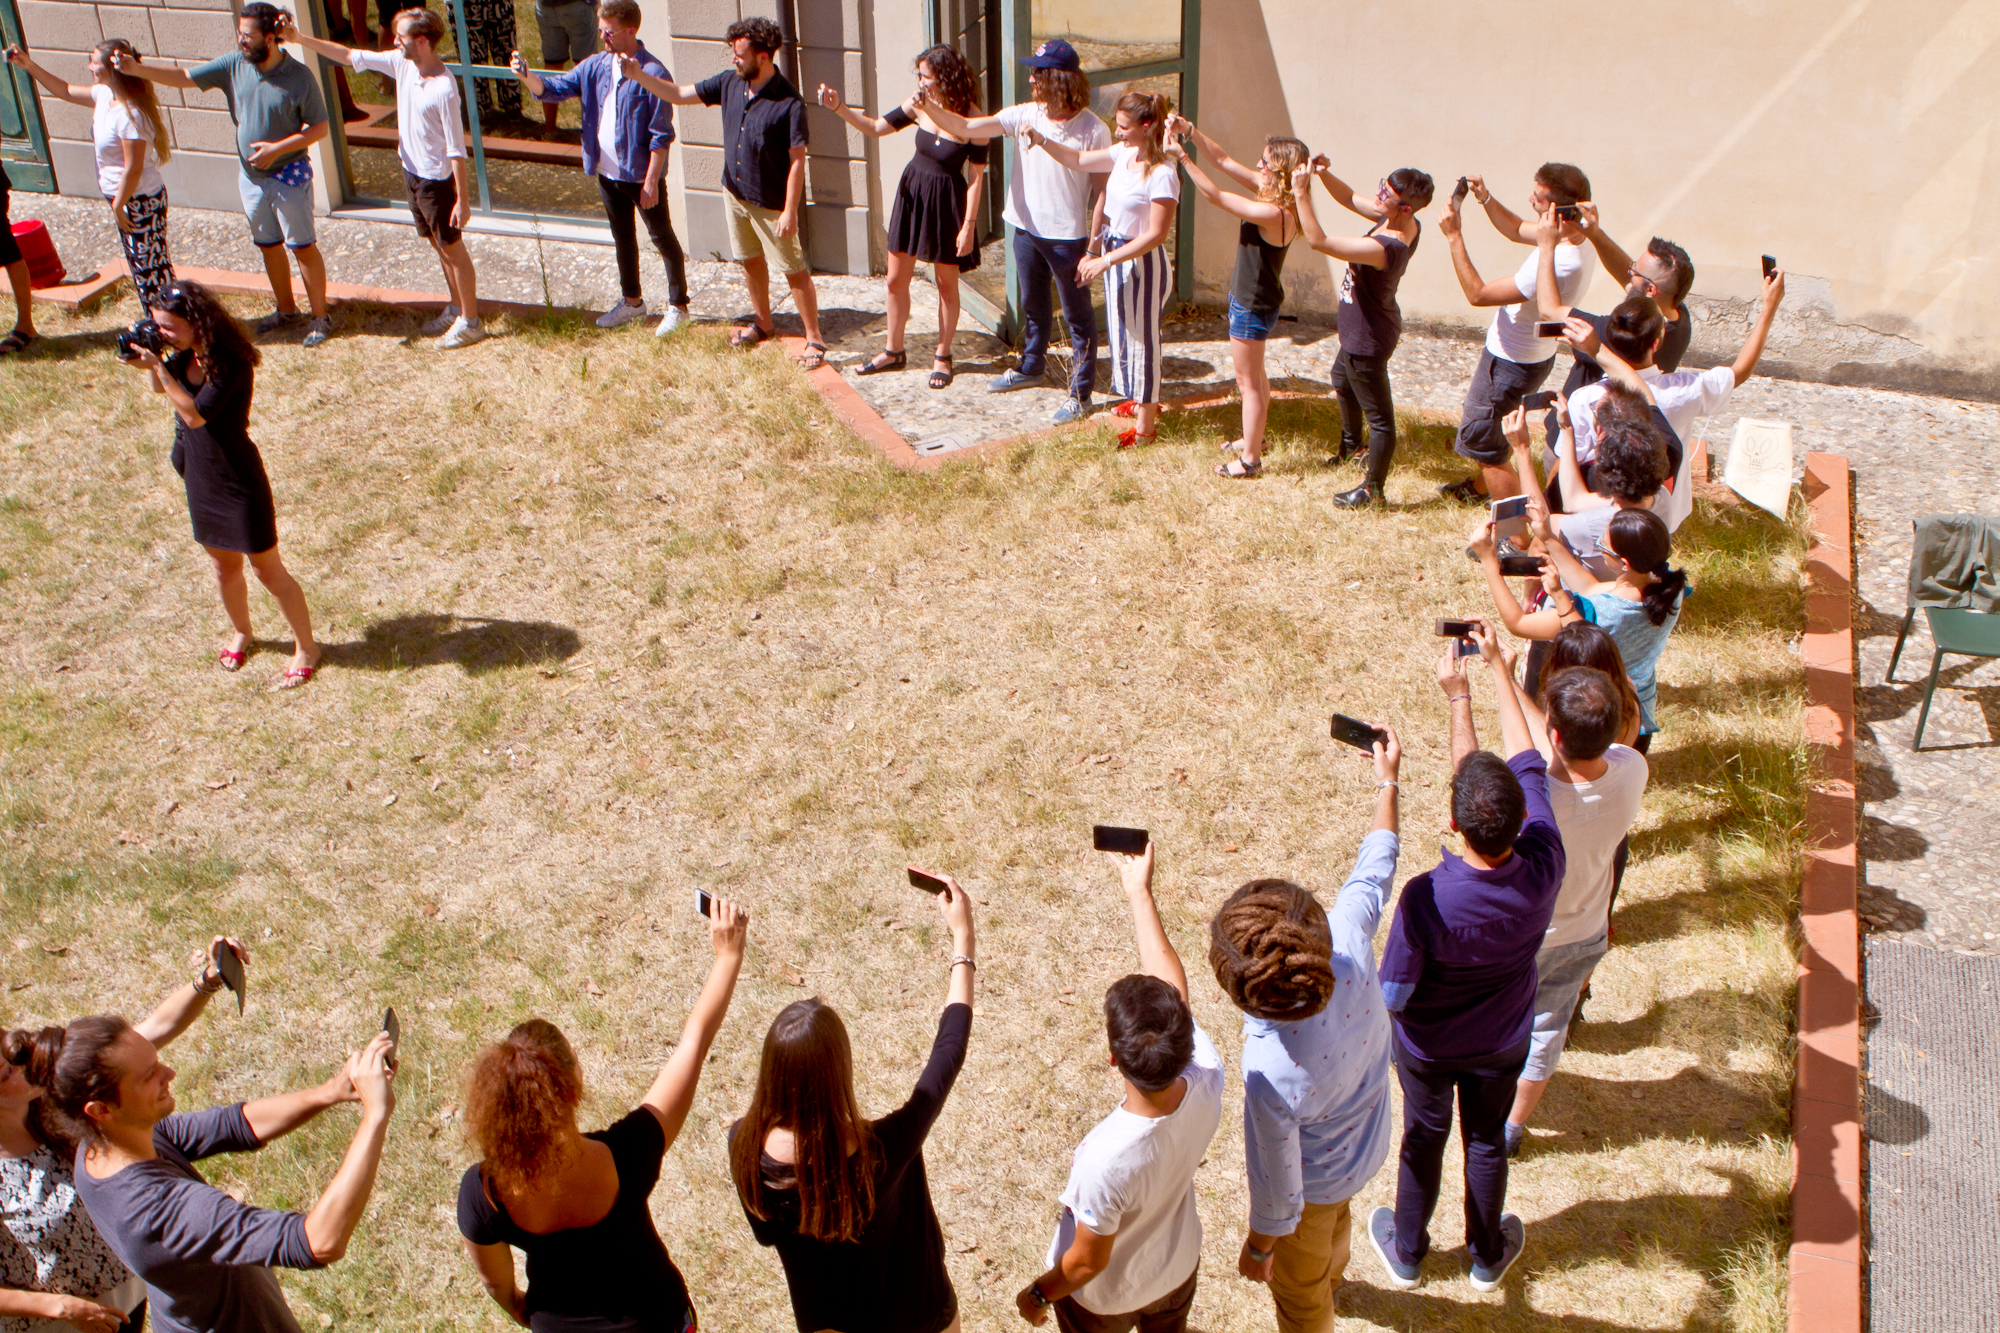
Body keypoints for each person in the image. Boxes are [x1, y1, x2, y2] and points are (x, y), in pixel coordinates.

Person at [1367, 624, 1563, 1293]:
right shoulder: (1544, 865)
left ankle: (1408, 1251)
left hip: (1426, 1048)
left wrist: (1458, 696)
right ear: (1522, 820)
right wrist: (1497, 676)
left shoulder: (1425, 897)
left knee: (1424, 1138)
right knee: (1485, 1140)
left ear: (1452, 823)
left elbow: (1392, 990)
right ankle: (1485, 1255)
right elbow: (1527, 759)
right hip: (1502, 1041)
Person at [458, 897, 748, 1333]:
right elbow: (694, 1044)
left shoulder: (484, 1192)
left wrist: (525, 1309)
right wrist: (728, 956)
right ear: (573, 1090)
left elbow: (496, 1285)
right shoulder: (628, 1153)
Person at [1209, 729, 1401, 1333]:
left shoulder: (1269, 1071)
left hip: (1316, 1190)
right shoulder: (1346, 941)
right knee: (1336, 1235)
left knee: (1300, 1298)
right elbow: (1377, 864)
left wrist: (1261, 1247)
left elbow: (1281, 1188)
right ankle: (1335, 1275)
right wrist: (1387, 778)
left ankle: (1321, 1297)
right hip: (1369, 1143)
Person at [39, 1015, 396, 1333]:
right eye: (149, 1076)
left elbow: (234, 1124)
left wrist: (329, 1092)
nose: (169, 1073)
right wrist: (375, 1115)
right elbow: (318, 1242)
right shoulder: (160, 1211)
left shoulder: (100, 1147)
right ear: (101, 1109)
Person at [730, 874, 975, 1333]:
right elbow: (950, 1051)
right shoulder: (884, 1148)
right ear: (838, 1075)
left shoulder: (743, 1148)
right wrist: (963, 939)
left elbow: (766, 1234)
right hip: (918, 1317)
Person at [1016, 838, 1223, 1332]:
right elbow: (1174, 987)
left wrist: (1038, 1293)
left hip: (1105, 1303)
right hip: (1176, 1272)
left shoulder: (1105, 1159)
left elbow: (1086, 1263)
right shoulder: (1207, 1078)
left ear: (1113, 1059)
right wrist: (1139, 893)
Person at [1, 937, 245, 1333]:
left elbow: (150, 1033)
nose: (21, 1067)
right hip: (58, 1323)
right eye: (6, 1073)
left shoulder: (55, 1099)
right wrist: (58, 1308)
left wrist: (209, 979)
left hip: (126, 1293)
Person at [1471, 660, 1649, 1158]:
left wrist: (1499, 675)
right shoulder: (1633, 771)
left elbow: (1523, 753)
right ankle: (1512, 1129)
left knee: (1494, 1018)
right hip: (1585, 931)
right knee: (1548, 1027)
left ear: (1552, 731)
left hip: (1523, 940)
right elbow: (1561, 743)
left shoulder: (1536, 802)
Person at [117, 281, 321, 690]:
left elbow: (195, 415)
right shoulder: (183, 356)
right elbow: (166, 391)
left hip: (237, 478)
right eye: (158, 327)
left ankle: (307, 648)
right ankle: (242, 631)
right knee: (222, 566)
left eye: (169, 328)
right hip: (201, 474)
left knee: (266, 569)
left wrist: (159, 367)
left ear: (198, 323)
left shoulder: (229, 362)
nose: (162, 335)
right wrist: (154, 365)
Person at [115, 3, 335, 347]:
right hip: (251, 178)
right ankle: (286, 309)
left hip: (288, 175)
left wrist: (277, 149)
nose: (241, 41)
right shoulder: (234, 65)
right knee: (269, 246)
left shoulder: (299, 77)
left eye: (247, 35)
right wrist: (136, 69)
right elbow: (186, 77)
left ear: (271, 37)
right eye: (239, 34)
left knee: (303, 247)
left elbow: (320, 127)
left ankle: (320, 317)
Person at [920, 40, 1107, 425]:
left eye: (1037, 73)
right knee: (1033, 307)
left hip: (1067, 238)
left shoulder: (1094, 129)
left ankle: (1080, 393)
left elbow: (1103, 194)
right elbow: (969, 127)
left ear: (1057, 79)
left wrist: (1093, 247)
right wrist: (928, 106)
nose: (1030, 78)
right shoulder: (1025, 114)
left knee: (1077, 317)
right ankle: (1032, 366)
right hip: (1024, 229)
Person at [281, 10, 484, 348]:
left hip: (436, 181)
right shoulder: (402, 63)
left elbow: (456, 149)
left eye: (400, 36)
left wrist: (462, 200)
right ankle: (456, 306)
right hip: (412, 173)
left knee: (454, 250)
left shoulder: (445, 88)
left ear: (422, 41)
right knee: (439, 245)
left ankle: (471, 322)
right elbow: (348, 55)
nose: (394, 41)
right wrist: (299, 39)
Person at [629, 18, 823, 364]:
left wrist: (791, 211)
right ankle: (763, 322)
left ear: (762, 57)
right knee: (749, 259)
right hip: (734, 192)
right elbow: (677, 94)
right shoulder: (729, 83)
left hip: (771, 203)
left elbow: (797, 161)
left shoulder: (789, 104)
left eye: (739, 54)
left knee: (793, 268)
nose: (733, 59)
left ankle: (815, 339)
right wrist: (639, 75)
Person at [1472, 452, 1690, 749]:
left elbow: (1519, 623)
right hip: (1637, 720)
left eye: (1604, 547)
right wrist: (1547, 537)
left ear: (1623, 563)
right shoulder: (1669, 587)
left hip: (1594, 722)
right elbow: (1591, 587)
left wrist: (1488, 560)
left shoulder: (1596, 613)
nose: (1600, 547)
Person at [510, 0, 691, 334]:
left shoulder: (653, 74)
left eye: (608, 31)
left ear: (630, 30)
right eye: (601, 30)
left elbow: (661, 134)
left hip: (640, 177)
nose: (602, 37)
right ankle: (632, 302)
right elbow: (555, 89)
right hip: (608, 174)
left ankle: (678, 306)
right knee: (622, 237)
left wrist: (651, 180)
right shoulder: (595, 66)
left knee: (661, 237)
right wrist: (528, 76)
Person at [1561, 263, 1785, 530]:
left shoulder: (1584, 398)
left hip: (1600, 511)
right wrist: (1768, 308)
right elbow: (1741, 372)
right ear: (1656, 343)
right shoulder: (1687, 390)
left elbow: (1571, 461)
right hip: (1660, 515)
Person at [819, 45, 991, 389]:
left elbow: (976, 178)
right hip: (912, 195)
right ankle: (893, 350)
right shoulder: (917, 104)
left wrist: (969, 227)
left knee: (946, 285)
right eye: (920, 75)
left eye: (925, 75)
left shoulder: (972, 119)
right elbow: (875, 127)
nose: (920, 81)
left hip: (947, 203)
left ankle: (943, 355)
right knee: (895, 280)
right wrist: (838, 107)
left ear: (944, 77)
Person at [1017, 91, 1179, 448]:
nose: (1117, 132)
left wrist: (1104, 260)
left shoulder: (1164, 172)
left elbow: (1156, 235)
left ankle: (1146, 429)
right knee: (1123, 336)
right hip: (1116, 254)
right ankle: (1137, 399)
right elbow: (1077, 159)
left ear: (1146, 125)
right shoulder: (1123, 154)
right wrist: (1042, 140)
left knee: (1144, 344)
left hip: (1142, 264)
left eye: (1123, 127)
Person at [1435, 163, 1595, 503]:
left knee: (1484, 443)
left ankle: (1517, 531)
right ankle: (1478, 490)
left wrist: (1453, 235)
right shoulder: (1577, 235)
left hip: (1509, 363)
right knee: (1494, 431)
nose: (1530, 201)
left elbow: (1478, 294)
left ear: (1558, 211)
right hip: (1531, 357)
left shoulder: (1559, 260)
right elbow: (1515, 229)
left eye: (1537, 199)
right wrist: (1486, 198)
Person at [1167, 115, 1309, 479]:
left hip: (1251, 305)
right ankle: (1255, 440)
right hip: (1255, 301)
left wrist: (1181, 157)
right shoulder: (1274, 196)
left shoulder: (1273, 212)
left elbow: (1214, 196)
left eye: (1264, 162)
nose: (1257, 165)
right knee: (1256, 378)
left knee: (1248, 384)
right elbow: (1223, 161)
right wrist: (1192, 131)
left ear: (1279, 174)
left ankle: (1250, 460)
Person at [1291, 157, 1430, 507]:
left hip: (1368, 337)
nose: (1379, 194)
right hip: (1364, 327)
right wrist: (1324, 174)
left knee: (1381, 419)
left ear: (1406, 207)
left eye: (1387, 193)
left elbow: (1318, 241)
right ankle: (1353, 447)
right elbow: (1351, 197)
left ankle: (1373, 490)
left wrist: (1301, 192)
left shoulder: (1388, 246)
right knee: (1341, 378)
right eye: (1383, 186)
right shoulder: (1396, 216)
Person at [7, 38, 175, 314]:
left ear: (112, 67)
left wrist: (119, 203)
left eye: (94, 61)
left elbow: (133, 169)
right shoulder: (105, 95)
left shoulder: (131, 114)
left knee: (150, 269)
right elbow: (64, 91)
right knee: (142, 264)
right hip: (124, 199)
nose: (89, 66)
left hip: (139, 200)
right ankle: (166, 321)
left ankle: (165, 324)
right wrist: (28, 65)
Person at [533, 0, 596, 133]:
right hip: (577, 7)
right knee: (586, 68)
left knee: (551, 67)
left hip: (546, 8)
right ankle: (591, 131)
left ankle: (549, 129)